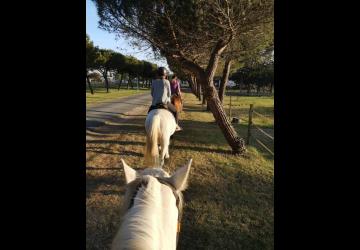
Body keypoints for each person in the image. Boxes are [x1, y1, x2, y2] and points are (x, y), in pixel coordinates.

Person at [149, 67, 182, 131]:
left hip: (155, 103)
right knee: (176, 111)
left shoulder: (153, 82)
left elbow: (152, 93)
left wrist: (156, 98)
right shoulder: (167, 82)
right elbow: (169, 94)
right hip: (165, 103)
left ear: (157, 74)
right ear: (165, 74)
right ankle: (176, 126)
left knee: (149, 113)